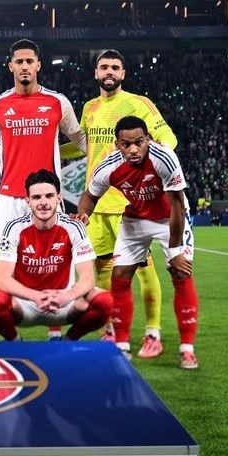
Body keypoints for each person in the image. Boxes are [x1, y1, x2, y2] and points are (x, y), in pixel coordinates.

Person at [69, 49, 179, 356]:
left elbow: (168, 137)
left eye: (115, 67)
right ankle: (112, 331)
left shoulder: (138, 103)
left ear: (123, 73)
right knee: (103, 269)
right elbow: (84, 147)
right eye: (104, 67)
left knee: (143, 269)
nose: (109, 71)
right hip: (97, 205)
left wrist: (155, 159)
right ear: (96, 73)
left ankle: (153, 333)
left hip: (131, 203)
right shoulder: (90, 108)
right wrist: (49, 148)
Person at [77, 116, 199, 369]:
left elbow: (177, 205)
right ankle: (122, 346)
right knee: (120, 275)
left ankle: (187, 349)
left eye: (139, 142)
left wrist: (176, 251)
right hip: (135, 218)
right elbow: (90, 196)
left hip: (169, 217)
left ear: (148, 140)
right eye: (126, 144)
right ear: (117, 145)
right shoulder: (108, 166)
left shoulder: (164, 158)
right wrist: (84, 214)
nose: (133, 149)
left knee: (181, 271)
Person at [0, 170, 112, 341]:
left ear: (58, 198)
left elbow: (88, 278)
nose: (43, 202)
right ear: (28, 201)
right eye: (36, 197)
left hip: (64, 302)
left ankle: (68, 340)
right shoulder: (14, 228)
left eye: (49, 196)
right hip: (25, 302)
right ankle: (15, 342)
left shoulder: (74, 227)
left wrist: (67, 296)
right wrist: (35, 296)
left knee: (105, 301)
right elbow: (2, 278)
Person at [0, 39, 86, 250]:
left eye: (29, 61)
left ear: (38, 65)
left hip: (47, 194)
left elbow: (79, 138)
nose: (24, 66)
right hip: (9, 196)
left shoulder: (58, 102)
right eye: (19, 62)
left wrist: (107, 153)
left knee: (52, 256)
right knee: (7, 260)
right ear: (11, 66)